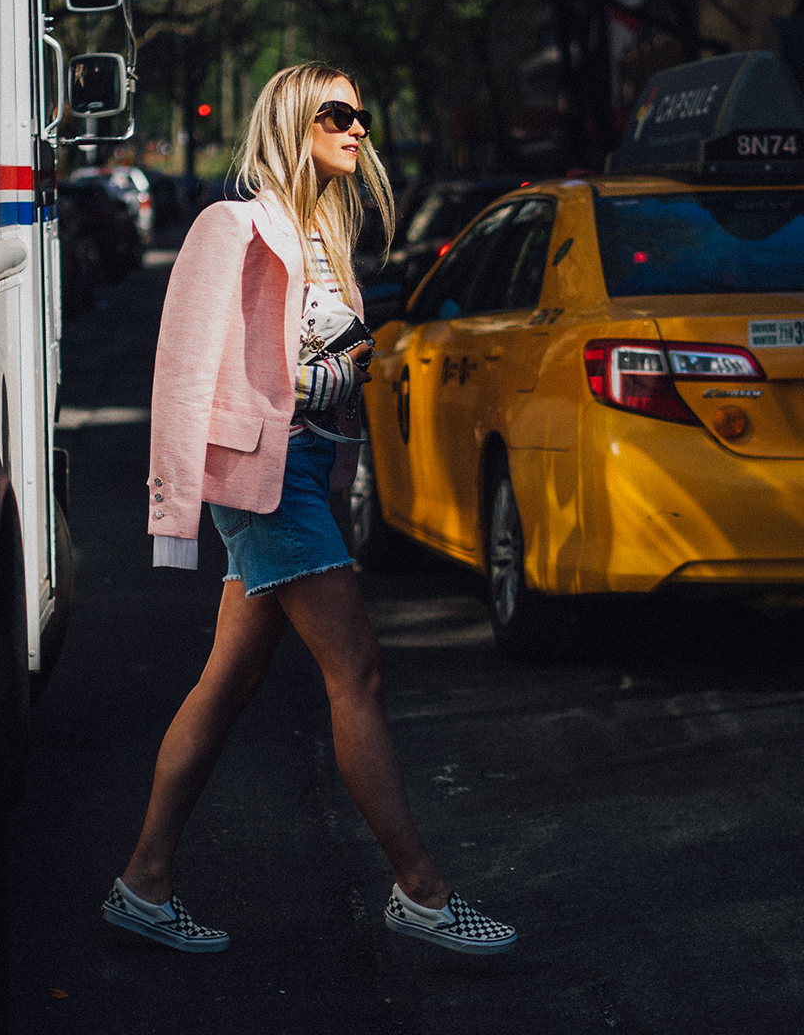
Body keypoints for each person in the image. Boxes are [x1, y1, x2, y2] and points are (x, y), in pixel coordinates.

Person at [101, 63, 516, 956]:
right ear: (293, 119)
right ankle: (423, 891)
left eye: (362, 115)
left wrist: (337, 380)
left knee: (231, 679)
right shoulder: (233, 224)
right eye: (338, 113)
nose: (357, 128)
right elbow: (184, 369)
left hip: (307, 465)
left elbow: (319, 366)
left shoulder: (323, 231)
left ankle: (144, 879)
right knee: (357, 668)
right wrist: (173, 515)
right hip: (266, 476)